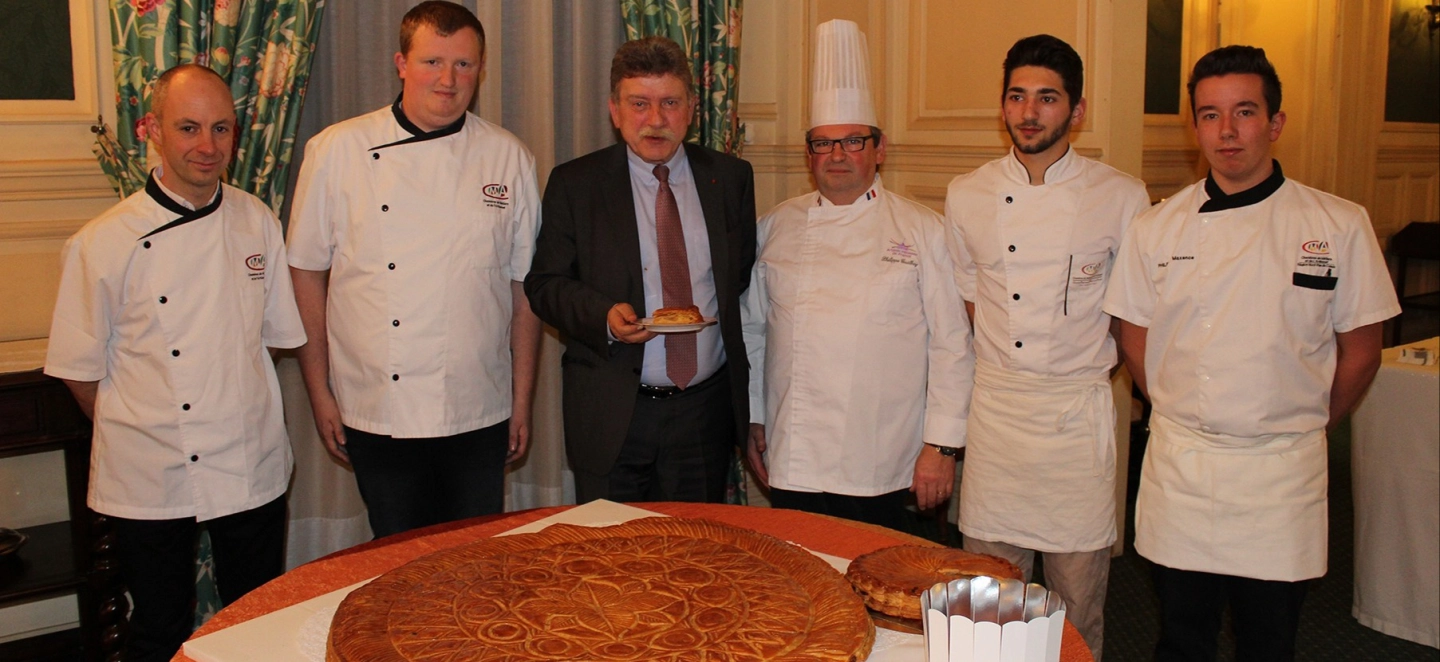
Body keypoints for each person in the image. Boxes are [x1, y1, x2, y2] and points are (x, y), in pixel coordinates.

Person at [1104, 45, 1400, 661]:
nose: (1228, 131)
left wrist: (1306, 421)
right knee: (1181, 638)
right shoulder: (1158, 228)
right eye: (1210, 115)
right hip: (1182, 467)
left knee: (1270, 642)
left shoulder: (1338, 224)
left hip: (1280, 474)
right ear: (1195, 127)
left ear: (1275, 122)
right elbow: (1134, 334)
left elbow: (1363, 350)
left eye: (1244, 111)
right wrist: (1183, 405)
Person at [44, 64, 306, 662]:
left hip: (249, 461)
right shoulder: (102, 242)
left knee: (258, 623)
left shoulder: (257, 221)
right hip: (151, 473)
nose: (207, 146)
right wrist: (148, 426)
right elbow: (79, 372)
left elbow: (270, 338)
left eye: (222, 128)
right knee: (160, 630)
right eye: (188, 127)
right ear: (151, 130)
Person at [287, 1, 542, 538]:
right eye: (432, 62)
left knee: (476, 564)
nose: (448, 80)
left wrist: (521, 401)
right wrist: (320, 391)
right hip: (378, 407)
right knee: (398, 564)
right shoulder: (337, 150)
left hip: (480, 408)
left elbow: (524, 290)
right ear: (401, 63)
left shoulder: (508, 157)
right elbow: (306, 274)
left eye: (464, 65)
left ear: (481, 69)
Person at [943, 35, 1150, 660]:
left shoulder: (1122, 197)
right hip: (999, 416)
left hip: (1074, 420)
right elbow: (970, 309)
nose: (1029, 112)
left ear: (1077, 111)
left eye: (1048, 98)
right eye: (1017, 97)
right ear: (1002, 107)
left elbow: (1129, 318)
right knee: (987, 596)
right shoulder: (967, 193)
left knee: (1077, 599)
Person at [741, 19, 973, 532]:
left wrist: (942, 446)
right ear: (809, 153)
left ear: (879, 147)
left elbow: (952, 345)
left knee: (887, 590)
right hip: (796, 453)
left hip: (886, 458)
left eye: (852, 141)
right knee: (805, 583)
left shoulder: (923, 229)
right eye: (823, 144)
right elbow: (754, 333)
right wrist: (756, 416)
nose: (838, 155)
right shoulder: (775, 227)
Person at [524, 36, 756, 503]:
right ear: (615, 110)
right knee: (613, 560)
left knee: (696, 558)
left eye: (670, 102)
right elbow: (545, 284)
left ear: (691, 108)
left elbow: (741, 276)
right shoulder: (576, 183)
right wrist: (603, 315)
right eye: (639, 103)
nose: (655, 120)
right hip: (612, 412)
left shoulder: (730, 179)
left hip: (704, 413)